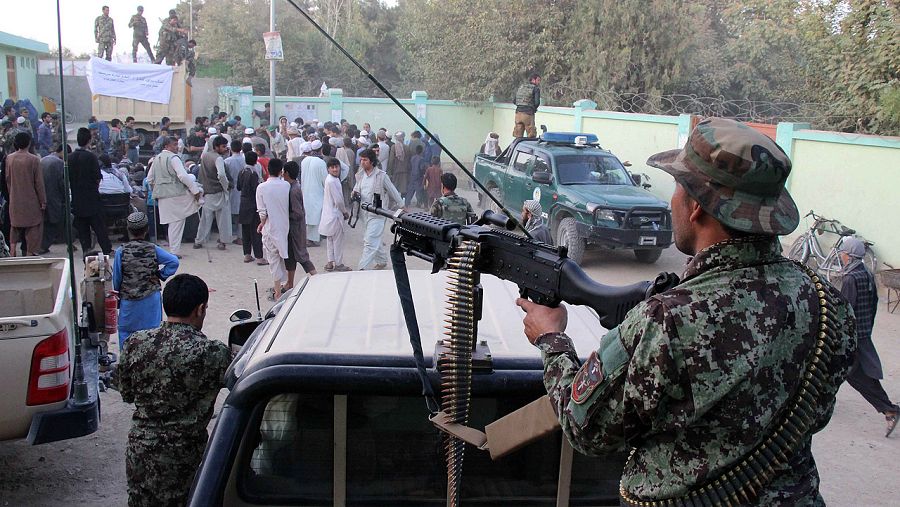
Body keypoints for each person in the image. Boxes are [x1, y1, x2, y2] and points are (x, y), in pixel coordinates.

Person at [516, 117, 857, 505]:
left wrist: (552, 339)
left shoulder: (668, 321)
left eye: (677, 188)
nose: (672, 200)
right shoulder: (828, 303)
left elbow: (585, 428)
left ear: (695, 207)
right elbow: (815, 413)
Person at [116, 273, 231, 507]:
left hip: (141, 452)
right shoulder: (211, 352)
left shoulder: (135, 343)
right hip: (184, 456)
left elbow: (126, 393)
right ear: (200, 309)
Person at [839, 237, 899, 437]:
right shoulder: (865, 273)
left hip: (852, 336)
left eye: (843, 252)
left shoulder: (849, 279)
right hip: (863, 332)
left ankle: (889, 409)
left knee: (855, 374)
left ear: (848, 255)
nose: (841, 255)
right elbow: (873, 305)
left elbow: (845, 309)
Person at [112, 212, 179, 349]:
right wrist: (161, 275)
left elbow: (117, 278)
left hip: (128, 301)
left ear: (128, 229)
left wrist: (119, 295)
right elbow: (174, 261)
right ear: (147, 229)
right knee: (153, 335)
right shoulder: (153, 249)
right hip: (151, 299)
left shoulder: (121, 251)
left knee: (126, 334)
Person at [147, 136, 201, 258]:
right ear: (166, 146)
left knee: (172, 222)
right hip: (175, 194)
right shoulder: (174, 158)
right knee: (177, 221)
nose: (177, 147)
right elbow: (183, 176)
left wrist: (156, 190)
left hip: (162, 194)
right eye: (174, 145)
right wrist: (195, 190)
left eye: (177, 144)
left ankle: (173, 249)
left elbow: (150, 178)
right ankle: (174, 251)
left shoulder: (156, 159)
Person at [353, 148, 402, 270]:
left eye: (365, 160)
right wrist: (354, 194)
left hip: (378, 213)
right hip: (364, 213)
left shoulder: (381, 176)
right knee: (373, 238)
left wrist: (402, 205)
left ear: (372, 161)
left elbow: (393, 191)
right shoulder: (360, 175)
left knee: (369, 241)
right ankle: (382, 260)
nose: (362, 162)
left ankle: (362, 268)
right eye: (361, 159)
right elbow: (356, 189)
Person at [69, 128, 113, 255]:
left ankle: (86, 250)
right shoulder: (91, 157)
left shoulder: (70, 158)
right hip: (92, 198)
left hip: (77, 199)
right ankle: (107, 249)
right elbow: (98, 178)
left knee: (83, 228)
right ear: (89, 140)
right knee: (99, 227)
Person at [4, 132, 45, 256]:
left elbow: (7, 179)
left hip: (15, 199)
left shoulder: (9, 158)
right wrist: (43, 201)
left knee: (14, 227)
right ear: (29, 143)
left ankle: (12, 252)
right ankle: (29, 254)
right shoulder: (34, 159)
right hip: (31, 200)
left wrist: (12, 194)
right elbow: (39, 183)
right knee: (33, 228)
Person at [256, 158, 291, 299]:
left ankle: (277, 290)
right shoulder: (286, 186)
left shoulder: (262, 188)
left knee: (273, 259)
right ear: (280, 171)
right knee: (284, 256)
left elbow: (262, 212)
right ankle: (287, 285)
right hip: (284, 226)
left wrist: (261, 223)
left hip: (270, 228)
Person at [193, 136, 233, 250]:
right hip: (218, 191)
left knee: (205, 219)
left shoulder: (205, 156)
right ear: (216, 147)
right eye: (223, 146)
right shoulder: (218, 158)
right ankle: (223, 241)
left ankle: (199, 241)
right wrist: (225, 186)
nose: (225, 149)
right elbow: (221, 174)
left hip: (207, 191)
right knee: (223, 219)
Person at [283, 161, 317, 289]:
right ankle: (289, 283)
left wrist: (285, 215)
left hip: (295, 230)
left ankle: (317, 278)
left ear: (286, 173)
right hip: (294, 229)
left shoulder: (293, 190)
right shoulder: (294, 187)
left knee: (302, 256)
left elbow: (298, 213)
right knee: (291, 257)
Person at [320, 157, 351, 272]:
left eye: (336, 167)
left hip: (329, 215)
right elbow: (338, 200)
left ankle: (330, 262)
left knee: (330, 240)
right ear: (328, 169)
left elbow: (345, 168)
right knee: (337, 240)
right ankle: (338, 263)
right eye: (332, 167)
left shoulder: (330, 179)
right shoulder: (333, 181)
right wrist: (344, 212)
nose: (335, 169)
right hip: (335, 215)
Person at [37, 144, 70, 254]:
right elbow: (62, 183)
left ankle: (41, 244)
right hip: (54, 197)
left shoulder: (43, 159)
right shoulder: (59, 163)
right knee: (55, 221)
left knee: (45, 222)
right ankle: (44, 245)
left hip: (41, 196)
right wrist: (65, 196)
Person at [238, 151, 265, 265]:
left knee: (245, 230)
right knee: (256, 231)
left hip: (243, 202)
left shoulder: (242, 171)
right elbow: (256, 190)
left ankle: (247, 254)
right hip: (253, 203)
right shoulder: (253, 173)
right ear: (255, 161)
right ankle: (259, 257)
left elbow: (238, 186)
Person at [300, 146, 328, 246]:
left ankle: (308, 238)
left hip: (305, 191)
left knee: (308, 215)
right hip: (317, 192)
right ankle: (312, 239)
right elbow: (325, 180)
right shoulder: (321, 163)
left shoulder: (304, 161)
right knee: (316, 215)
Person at [224, 139, 245, 243]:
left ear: (231, 149)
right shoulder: (244, 160)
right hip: (242, 189)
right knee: (241, 214)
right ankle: (240, 236)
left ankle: (227, 236)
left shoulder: (227, 161)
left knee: (228, 215)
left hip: (231, 189)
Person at [513, 73, 541, 138]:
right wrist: (533, 109)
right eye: (538, 80)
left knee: (518, 136)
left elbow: (514, 101)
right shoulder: (536, 89)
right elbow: (537, 103)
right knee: (531, 136)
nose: (539, 82)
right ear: (533, 80)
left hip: (518, 114)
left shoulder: (521, 87)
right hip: (528, 114)